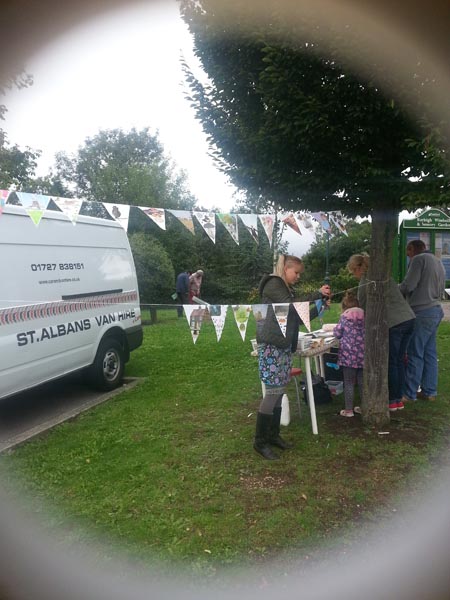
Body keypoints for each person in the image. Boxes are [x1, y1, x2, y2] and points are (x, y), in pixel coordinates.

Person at [254, 254, 330, 460]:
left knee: (279, 391)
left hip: (283, 344)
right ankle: (259, 442)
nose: (298, 276)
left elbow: (297, 315)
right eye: (296, 272)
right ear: (285, 268)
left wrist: (319, 306)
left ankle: (273, 435)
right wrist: (317, 293)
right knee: (272, 392)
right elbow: (291, 305)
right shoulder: (273, 284)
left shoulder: (286, 289)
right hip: (271, 344)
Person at [348, 253, 416, 411]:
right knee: (399, 360)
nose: (354, 275)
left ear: (359, 268)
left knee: (392, 362)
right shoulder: (382, 276)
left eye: (353, 271)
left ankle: (392, 400)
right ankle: (398, 399)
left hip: (394, 323)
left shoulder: (366, 282)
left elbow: (363, 308)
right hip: (408, 318)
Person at [399, 239, 445, 402]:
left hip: (422, 311)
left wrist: (395, 290)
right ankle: (429, 391)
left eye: (408, 253)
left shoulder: (419, 260)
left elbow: (408, 285)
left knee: (415, 353)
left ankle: (409, 393)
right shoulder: (437, 261)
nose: (408, 257)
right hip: (435, 309)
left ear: (413, 249)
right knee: (429, 353)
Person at [333, 291, 364, 417]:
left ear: (344, 307)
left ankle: (349, 410)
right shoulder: (365, 315)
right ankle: (364, 406)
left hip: (348, 357)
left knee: (349, 382)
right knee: (363, 383)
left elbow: (337, 334)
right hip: (363, 355)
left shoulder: (344, 317)